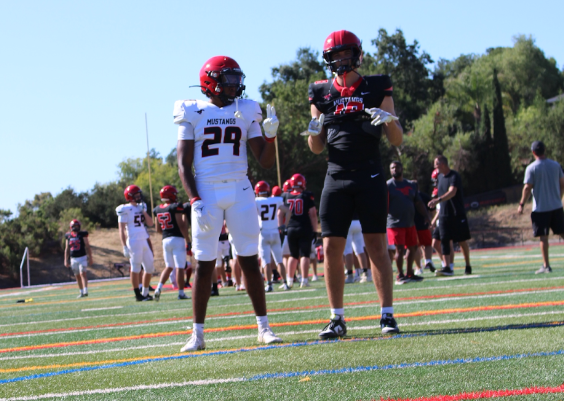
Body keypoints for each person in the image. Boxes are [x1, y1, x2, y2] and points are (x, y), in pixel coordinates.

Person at [175, 55, 282, 351]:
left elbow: (263, 160)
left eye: (237, 78)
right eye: (229, 78)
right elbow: (183, 164)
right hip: (207, 192)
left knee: (248, 259)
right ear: (211, 82)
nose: (236, 85)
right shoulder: (192, 111)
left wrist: (271, 137)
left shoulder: (246, 110)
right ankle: (197, 334)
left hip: (240, 188)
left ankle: (264, 328)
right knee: (204, 264)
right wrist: (194, 198)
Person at [304, 30, 403, 338]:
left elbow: (397, 139)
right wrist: (313, 129)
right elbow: (316, 147)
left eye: (346, 54)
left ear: (357, 55)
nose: (341, 60)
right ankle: (336, 318)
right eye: (336, 56)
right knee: (331, 246)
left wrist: (389, 120)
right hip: (336, 174)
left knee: (376, 244)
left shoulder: (376, 85)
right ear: (328, 59)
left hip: (370, 173)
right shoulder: (320, 92)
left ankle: (387, 314)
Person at [518, 140, 564, 273]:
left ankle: (546, 266)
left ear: (533, 152)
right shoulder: (556, 165)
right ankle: (545, 266)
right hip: (556, 206)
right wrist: (558, 197)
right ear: (545, 150)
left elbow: (527, 188)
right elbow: (563, 184)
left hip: (540, 209)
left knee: (543, 237)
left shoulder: (531, 168)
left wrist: (521, 204)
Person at [428, 156, 472, 276]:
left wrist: (438, 200)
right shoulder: (439, 177)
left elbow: (452, 192)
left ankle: (468, 265)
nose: (435, 167)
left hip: (457, 214)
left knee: (462, 241)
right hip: (444, 214)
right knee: (444, 241)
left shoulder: (454, 176)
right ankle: (447, 267)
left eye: (436, 164)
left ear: (442, 164)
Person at [387, 161, 429, 284]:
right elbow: (383, 204)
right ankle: (400, 275)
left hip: (410, 222)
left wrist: (426, 215)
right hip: (395, 223)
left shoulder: (411, 185)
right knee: (399, 249)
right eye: (392, 168)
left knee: (413, 247)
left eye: (397, 167)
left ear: (402, 168)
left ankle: (410, 273)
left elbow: (419, 202)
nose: (395, 169)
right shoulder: (388, 186)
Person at [116, 185, 155, 301]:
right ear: (130, 196)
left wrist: (143, 211)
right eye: (137, 194)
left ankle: (145, 292)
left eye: (139, 194)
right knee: (136, 267)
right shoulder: (125, 209)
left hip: (143, 239)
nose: (139, 196)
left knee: (149, 267)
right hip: (133, 241)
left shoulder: (142, 206)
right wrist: (124, 246)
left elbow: (150, 223)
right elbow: (121, 230)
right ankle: (138, 294)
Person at [153, 185, 191, 301]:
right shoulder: (176, 207)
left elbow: (157, 229)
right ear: (170, 195)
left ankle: (158, 288)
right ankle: (181, 293)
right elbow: (182, 226)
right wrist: (188, 240)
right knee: (179, 267)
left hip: (165, 240)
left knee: (169, 266)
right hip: (177, 239)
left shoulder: (157, 209)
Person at [255, 180, 292, 291]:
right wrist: (284, 225)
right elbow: (288, 211)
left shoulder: (256, 201)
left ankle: (269, 284)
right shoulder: (276, 200)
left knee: (266, 261)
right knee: (279, 260)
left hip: (263, 233)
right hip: (275, 232)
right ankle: (285, 283)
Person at [283, 174, 318, 288]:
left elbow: (280, 213)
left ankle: (289, 280)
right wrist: (315, 230)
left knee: (293, 255)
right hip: (304, 227)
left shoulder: (286, 195)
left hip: (291, 228)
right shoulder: (307, 195)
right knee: (305, 255)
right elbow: (313, 214)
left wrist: (282, 227)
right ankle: (304, 280)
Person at [64, 219, 93, 298]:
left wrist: (90, 257)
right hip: (73, 258)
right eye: (74, 226)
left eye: (77, 226)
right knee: (77, 275)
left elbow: (87, 246)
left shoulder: (83, 234)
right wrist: (65, 260)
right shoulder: (68, 236)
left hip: (82, 257)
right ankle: (81, 292)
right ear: (71, 227)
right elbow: (67, 248)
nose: (76, 228)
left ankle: (85, 290)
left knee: (82, 273)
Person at [344, 212, 370, 283]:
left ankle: (350, 275)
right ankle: (365, 274)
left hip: (348, 222)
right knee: (360, 250)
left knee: (348, 251)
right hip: (358, 222)